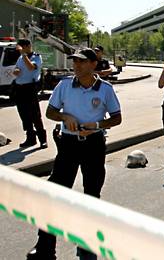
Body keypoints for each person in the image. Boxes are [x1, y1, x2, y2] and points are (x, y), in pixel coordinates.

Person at [26, 48, 122, 260]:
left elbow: (116, 117)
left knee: (91, 194)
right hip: (68, 144)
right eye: (74, 62)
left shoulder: (105, 89)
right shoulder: (64, 85)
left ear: (93, 64)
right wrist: (64, 116)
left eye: (81, 62)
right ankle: (45, 247)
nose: (76, 66)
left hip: (94, 145)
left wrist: (97, 125)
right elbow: (50, 112)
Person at [12, 38, 47, 148]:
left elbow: (31, 67)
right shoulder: (20, 58)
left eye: (21, 47)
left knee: (35, 115)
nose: (20, 50)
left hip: (30, 88)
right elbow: (17, 68)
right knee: (24, 115)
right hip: (19, 88)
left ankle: (43, 140)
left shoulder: (36, 57)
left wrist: (24, 55)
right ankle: (30, 138)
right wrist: (16, 71)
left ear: (27, 46)